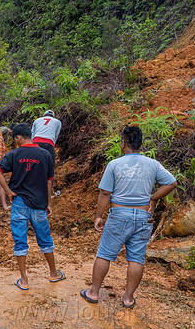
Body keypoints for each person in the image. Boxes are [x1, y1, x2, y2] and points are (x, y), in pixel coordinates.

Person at [80, 126, 177, 308]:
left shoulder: (115, 165)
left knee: (105, 254)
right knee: (136, 258)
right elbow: (172, 182)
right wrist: (153, 199)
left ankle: (93, 293)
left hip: (119, 215)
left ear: (123, 143)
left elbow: (105, 193)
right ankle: (128, 298)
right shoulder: (153, 164)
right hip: (143, 216)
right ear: (141, 144)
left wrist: (98, 216)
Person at [0, 123, 65, 290]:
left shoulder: (14, 154)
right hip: (39, 203)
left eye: (15, 139)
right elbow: (49, 182)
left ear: (18, 137)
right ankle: (53, 273)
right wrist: (48, 203)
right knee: (45, 239)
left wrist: (9, 192)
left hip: (19, 203)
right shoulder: (45, 155)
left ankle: (24, 281)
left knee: (20, 241)